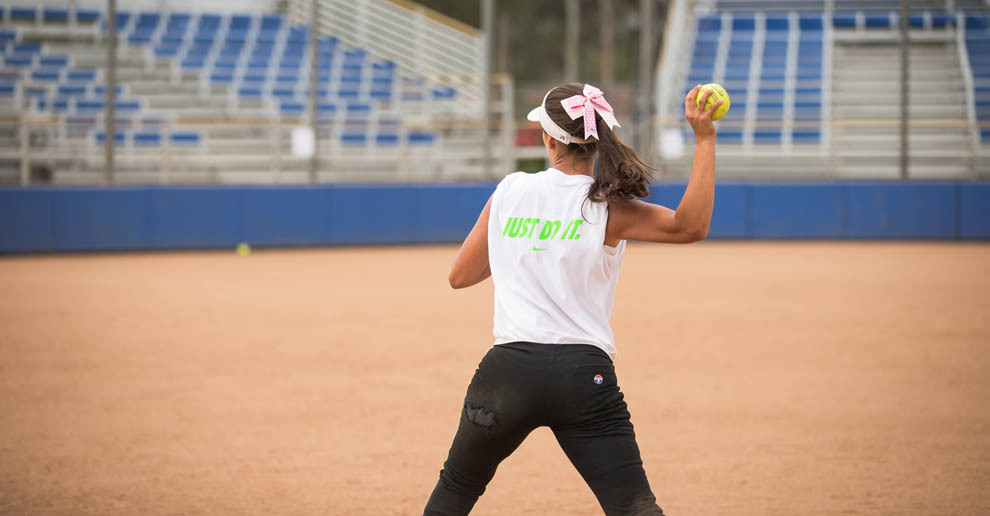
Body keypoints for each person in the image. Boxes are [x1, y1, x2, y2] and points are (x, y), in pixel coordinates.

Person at [423, 83, 720, 516]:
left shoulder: (510, 191)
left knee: (455, 490)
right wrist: (706, 139)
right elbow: (690, 227)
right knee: (633, 506)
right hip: (584, 376)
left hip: (508, 372)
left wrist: (520, 245)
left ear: (548, 139)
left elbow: (460, 276)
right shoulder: (606, 205)